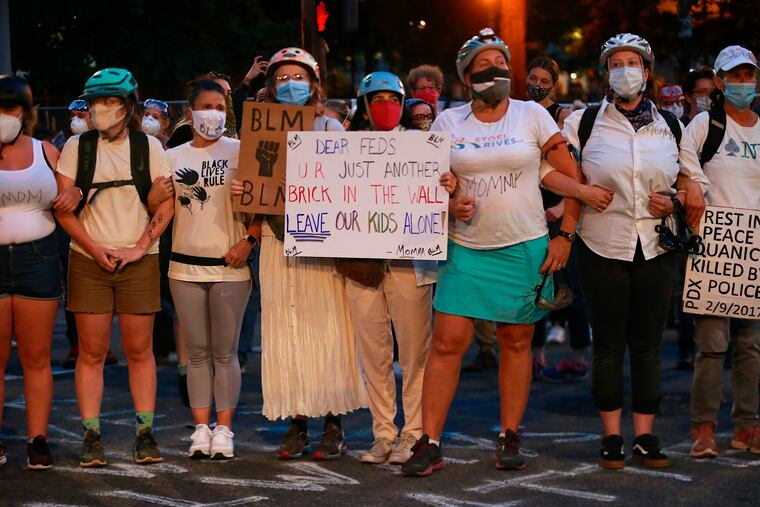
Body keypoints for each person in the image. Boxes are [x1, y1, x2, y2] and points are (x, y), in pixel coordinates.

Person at [402, 28, 596, 476]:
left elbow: (574, 178)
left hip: (524, 245)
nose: (496, 73)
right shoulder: (449, 122)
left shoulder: (532, 116)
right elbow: (425, 181)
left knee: (515, 340)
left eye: (502, 67)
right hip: (465, 247)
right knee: (448, 342)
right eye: (485, 68)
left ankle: (510, 433)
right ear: (466, 78)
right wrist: (449, 201)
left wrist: (565, 235)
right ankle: (429, 442)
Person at [561, 34, 707, 470]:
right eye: (616, 63)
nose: (625, 69)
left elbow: (692, 180)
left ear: (647, 72)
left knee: (646, 346)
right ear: (606, 73)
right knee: (608, 345)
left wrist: (679, 200)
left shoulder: (672, 125)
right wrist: (583, 190)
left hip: (657, 245)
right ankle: (610, 437)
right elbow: (552, 172)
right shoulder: (583, 123)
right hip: (601, 243)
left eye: (634, 62)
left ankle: (645, 436)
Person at [236, 47, 367, 461]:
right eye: (280, 79)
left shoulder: (330, 128)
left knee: (329, 330)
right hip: (277, 242)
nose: (289, 85)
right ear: (271, 86)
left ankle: (333, 422)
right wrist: (243, 196)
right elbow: (252, 198)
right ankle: (296, 421)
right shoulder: (258, 130)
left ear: (312, 84)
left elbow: (350, 186)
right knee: (286, 329)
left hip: (323, 244)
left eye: (297, 77)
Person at [55, 68, 175, 467]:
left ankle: (145, 433)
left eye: (108, 101)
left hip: (139, 260)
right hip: (89, 259)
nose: (99, 109)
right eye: (94, 102)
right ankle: (92, 435)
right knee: (92, 352)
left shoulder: (149, 147)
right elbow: (64, 209)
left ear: (127, 106)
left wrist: (140, 247)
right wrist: (95, 247)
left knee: (141, 351)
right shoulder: (78, 146)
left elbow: (166, 203)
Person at [340, 72, 454, 466]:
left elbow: (440, 190)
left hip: (410, 263)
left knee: (415, 353)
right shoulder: (343, 148)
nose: (385, 105)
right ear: (364, 105)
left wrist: (448, 184)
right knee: (373, 353)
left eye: (393, 98)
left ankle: (413, 433)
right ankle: (383, 434)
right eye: (377, 98)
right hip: (361, 264)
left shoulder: (423, 147)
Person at [166, 79, 254, 459]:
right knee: (197, 352)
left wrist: (248, 241)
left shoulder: (243, 150)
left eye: (220, 106)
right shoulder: (172, 156)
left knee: (225, 352)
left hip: (230, 266)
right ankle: (201, 428)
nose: (213, 113)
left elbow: (264, 207)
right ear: (190, 111)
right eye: (206, 106)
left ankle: (226, 429)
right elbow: (158, 205)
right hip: (183, 267)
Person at [0, 75, 80, 470]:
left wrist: (75, 193)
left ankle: (37, 439)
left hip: (39, 259)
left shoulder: (47, 151)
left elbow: (72, 191)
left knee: (36, 357)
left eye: (11, 109)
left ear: (25, 113)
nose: (4, 117)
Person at [687, 45, 760, 459]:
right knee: (712, 344)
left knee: (751, 344)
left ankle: (748, 425)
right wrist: (693, 186)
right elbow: (684, 168)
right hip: (715, 248)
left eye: (749, 74)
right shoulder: (704, 124)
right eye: (735, 75)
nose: (743, 83)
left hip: (754, 249)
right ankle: (704, 428)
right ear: (718, 81)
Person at [524, 56, 592, 382]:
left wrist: (565, 206)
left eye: (543, 80)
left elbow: (574, 167)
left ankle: (578, 356)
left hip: (557, 209)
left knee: (570, 286)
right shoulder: (521, 112)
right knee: (534, 285)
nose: (536, 84)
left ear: (555, 85)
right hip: (529, 210)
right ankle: (535, 355)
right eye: (532, 77)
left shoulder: (563, 117)